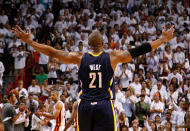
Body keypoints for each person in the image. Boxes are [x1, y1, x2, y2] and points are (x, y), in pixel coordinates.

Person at [12, 25, 174, 131]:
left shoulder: (79, 57)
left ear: (89, 44)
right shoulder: (113, 57)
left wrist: (31, 42)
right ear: (103, 44)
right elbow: (140, 50)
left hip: (85, 106)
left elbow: (53, 52)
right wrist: (162, 39)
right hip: (104, 105)